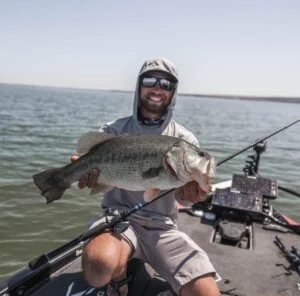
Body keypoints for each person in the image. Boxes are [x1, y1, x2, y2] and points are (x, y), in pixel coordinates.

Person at [72, 57, 220, 296]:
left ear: (174, 92)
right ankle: (119, 279)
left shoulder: (185, 140)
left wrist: (194, 195)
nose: (158, 88)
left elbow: (185, 196)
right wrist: (80, 172)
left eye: (166, 84)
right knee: (98, 267)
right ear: (139, 86)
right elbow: (87, 159)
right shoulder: (113, 131)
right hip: (116, 219)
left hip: (162, 227)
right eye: (150, 80)